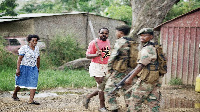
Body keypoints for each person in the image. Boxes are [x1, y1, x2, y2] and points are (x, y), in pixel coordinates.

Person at [125, 28, 162, 112]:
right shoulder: (154, 47)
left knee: (134, 103)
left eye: (145, 35)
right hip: (154, 79)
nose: (142, 37)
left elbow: (141, 65)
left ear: (151, 37)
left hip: (146, 80)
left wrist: (130, 78)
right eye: (141, 36)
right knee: (153, 103)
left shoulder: (147, 49)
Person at [104, 25, 137, 112]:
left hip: (119, 70)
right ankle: (131, 108)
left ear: (121, 32)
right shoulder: (132, 41)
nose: (116, 33)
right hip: (130, 70)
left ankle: (113, 108)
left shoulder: (120, 41)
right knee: (128, 90)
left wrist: (109, 68)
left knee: (108, 90)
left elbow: (113, 56)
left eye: (116, 31)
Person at [83, 27, 111, 112]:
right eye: (102, 33)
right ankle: (102, 107)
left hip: (105, 65)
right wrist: (95, 54)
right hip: (96, 66)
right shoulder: (93, 43)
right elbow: (87, 56)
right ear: (99, 33)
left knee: (103, 86)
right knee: (101, 85)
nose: (104, 35)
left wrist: (108, 62)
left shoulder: (107, 42)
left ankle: (88, 96)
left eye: (106, 33)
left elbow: (106, 55)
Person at [12, 34, 40, 105]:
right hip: (24, 67)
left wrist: (37, 68)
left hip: (33, 68)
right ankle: (14, 94)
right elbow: (19, 59)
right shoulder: (24, 48)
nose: (35, 42)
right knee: (20, 83)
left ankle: (31, 100)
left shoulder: (37, 48)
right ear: (29, 41)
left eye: (36, 41)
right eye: (33, 41)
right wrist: (18, 69)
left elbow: (38, 58)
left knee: (34, 83)